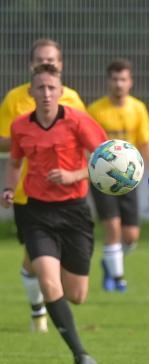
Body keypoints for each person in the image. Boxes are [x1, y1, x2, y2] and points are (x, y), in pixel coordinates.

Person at [1, 63, 108, 364]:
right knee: (49, 283)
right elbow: (14, 162)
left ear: (61, 92)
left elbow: (107, 159)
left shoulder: (78, 121)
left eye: (52, 88)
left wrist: (74, 173)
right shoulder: (21, 125)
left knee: (76, 295)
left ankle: (56, 285)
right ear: (31, 92)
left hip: (74, 212)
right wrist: (9, 188)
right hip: (36, 213)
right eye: (41, 88)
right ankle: (80, 355)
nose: (46, 93)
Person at [0, 38, 86, 333]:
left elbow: (85, 141)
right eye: (39, 59)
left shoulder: (73, 99)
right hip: (28, 194)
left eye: (50, 59)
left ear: (60, 65)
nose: (44, 63)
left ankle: (50, 297)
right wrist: (30, 136)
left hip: (67, 197)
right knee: (32, 257)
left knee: (56, 268)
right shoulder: (15, 99)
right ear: (30, 65)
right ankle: (38, 310)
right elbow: (4, 140)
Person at [87, 58, 149, 292]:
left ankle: (110, 262)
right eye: (115, 79)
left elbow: (145, 141)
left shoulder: (138, 108)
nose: (119, 84)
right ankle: (117, 279)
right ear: (109, 82)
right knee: (113, 228)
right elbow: (87, 145)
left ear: (130, 82)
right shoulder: (96, 110)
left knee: (130, 235)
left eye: (123, 79)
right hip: (102, 178)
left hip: (129, 178)